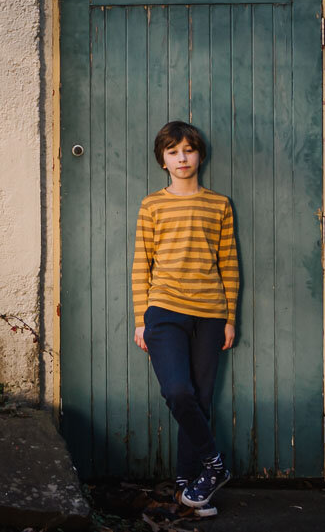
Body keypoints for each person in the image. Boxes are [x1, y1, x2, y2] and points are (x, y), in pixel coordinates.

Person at [131, 120, 240, 514]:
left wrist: (228, 318)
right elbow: (141, 264)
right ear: (163, 159)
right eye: (173, 151)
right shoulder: (152, 205)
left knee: (200, 400)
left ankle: (189, 485)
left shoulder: (219, 204)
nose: (182, 157)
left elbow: (228, 264)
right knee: (178, 391)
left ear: (199, 156)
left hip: (209, 314)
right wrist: (141, 318)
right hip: (164, 311)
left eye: (188, 150)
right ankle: (215, 466)